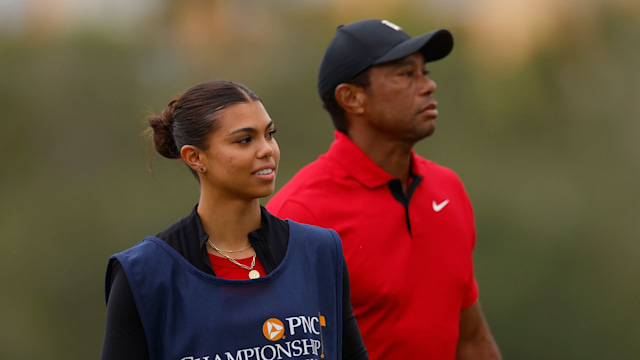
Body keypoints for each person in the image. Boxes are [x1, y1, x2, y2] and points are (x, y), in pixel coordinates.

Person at [267, 19, 502, 359]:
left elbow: (472, 340)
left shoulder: (448, 188)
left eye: (426, 72)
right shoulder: (299, 215)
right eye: (407, 75)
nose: (428, 86)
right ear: (352, 98)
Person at [101, 80, 368, 360]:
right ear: (195, 157)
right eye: (245, 140)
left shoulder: (319, 251)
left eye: (269, 134)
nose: (267, 150)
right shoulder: (145, 274)